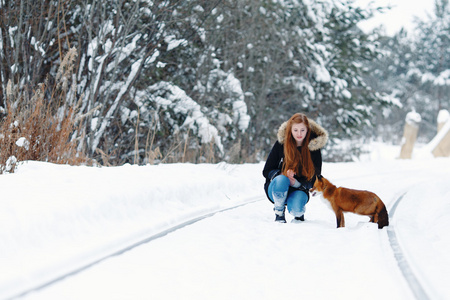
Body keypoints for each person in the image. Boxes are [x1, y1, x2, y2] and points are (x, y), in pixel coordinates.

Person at [262, 113, 328, 223]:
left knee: (297, 210)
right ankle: (279, 212)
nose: (299, 134)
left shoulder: (313, 148)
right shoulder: (281, 144)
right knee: (282, 179)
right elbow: (266, 170)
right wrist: (281, 174)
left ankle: (298, 212)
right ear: (290, 130)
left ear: (307, 130)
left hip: (299, 189)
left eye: (302, 130)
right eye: (295, 130)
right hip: (277, 187)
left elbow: (316, 178)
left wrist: (296, 183)